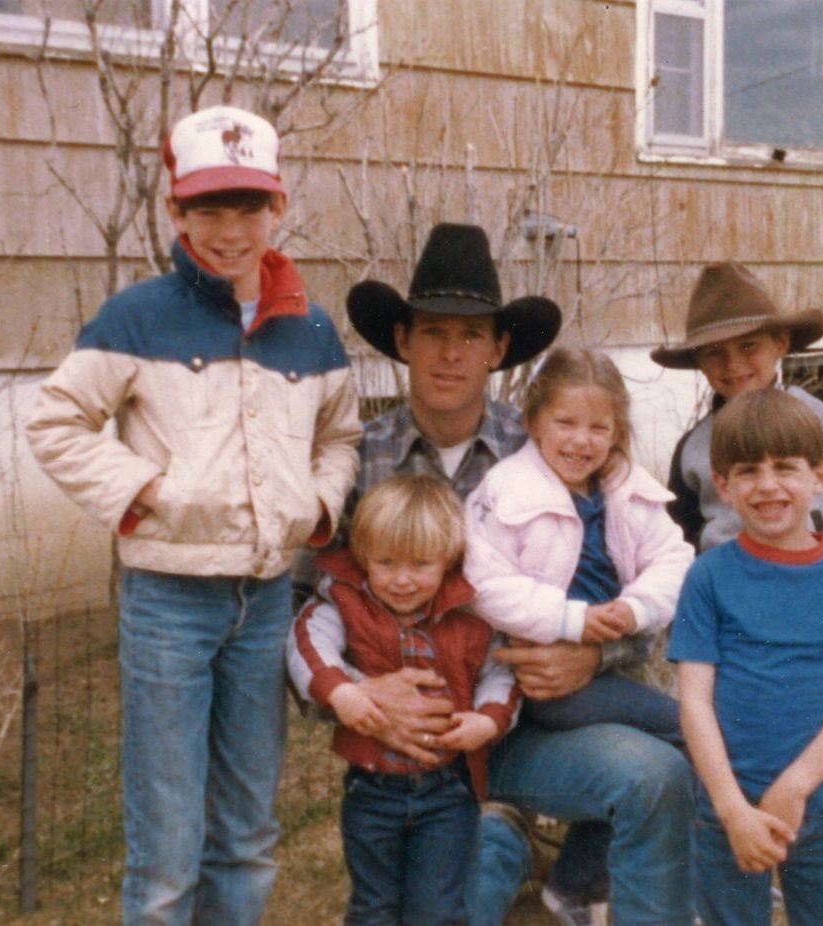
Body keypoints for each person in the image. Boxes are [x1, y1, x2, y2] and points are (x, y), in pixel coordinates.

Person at [25, 105, 363, 926]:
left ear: (276, 209)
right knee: (169, 849)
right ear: (174, 210)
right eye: (208, 206)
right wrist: (149, 492)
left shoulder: (311, 330)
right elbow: (54, 422)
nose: (229, 228)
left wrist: (314, 504)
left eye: (248, 206)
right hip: (169, 606)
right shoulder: (136, 318)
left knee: (247, 834)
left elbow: (341, 434)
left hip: (262, 606)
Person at [341, 223, 694, 926]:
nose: (450, 352)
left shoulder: (554, 446)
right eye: (433, 331)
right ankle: (505, 838)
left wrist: (596, 653)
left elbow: (638, 571)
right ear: (402, 341)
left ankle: (584, 877)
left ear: (500, 350)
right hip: (420, 746)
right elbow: (310, 604)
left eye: (471, 335)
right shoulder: (357, 462)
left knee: (658, 774)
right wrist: (360, 692)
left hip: (537, 723)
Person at [653, 260, 823, 926]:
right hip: (730, 639)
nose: (734, 364)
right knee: (731, 827)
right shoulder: (694, 448)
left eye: (749, 346)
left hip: (818, 649)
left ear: (779, 346)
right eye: (715, 354)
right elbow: (682, 535)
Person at [670, 389, 823, 926]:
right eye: (747, 471)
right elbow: (695, 702)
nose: (768, 485)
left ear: (820, 476)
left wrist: (795, 786)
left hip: (820, 814)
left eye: (785, 467)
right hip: (726, 816)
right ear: (722, 486)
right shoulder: (707, 577)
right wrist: (731, 809)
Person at [288, 474, 520, 926]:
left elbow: (501, 671)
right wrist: (341, 691)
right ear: (363, 557)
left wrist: (488, 722)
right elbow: (306, 642)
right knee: (374, 906)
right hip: (372, 789)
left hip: (448, 790)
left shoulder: (468, 614)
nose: (402, 579)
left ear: (448, 560)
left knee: (437, 910)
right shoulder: (344, 602)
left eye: (420, 564)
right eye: (387, 563)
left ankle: (501, 849)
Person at [464, 347, 692, 743]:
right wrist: (571, 620)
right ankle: (725, 803)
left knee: (682, 732)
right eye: (565, 423)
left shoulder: (627, 488)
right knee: (684, 727)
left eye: (598, 428)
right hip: (537, 677)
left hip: (609, 665)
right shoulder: (506, 488)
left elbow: (673, 558)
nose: (581, 441)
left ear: (617, 431)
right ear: (534, 422)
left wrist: (635, 608)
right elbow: (482, 584)